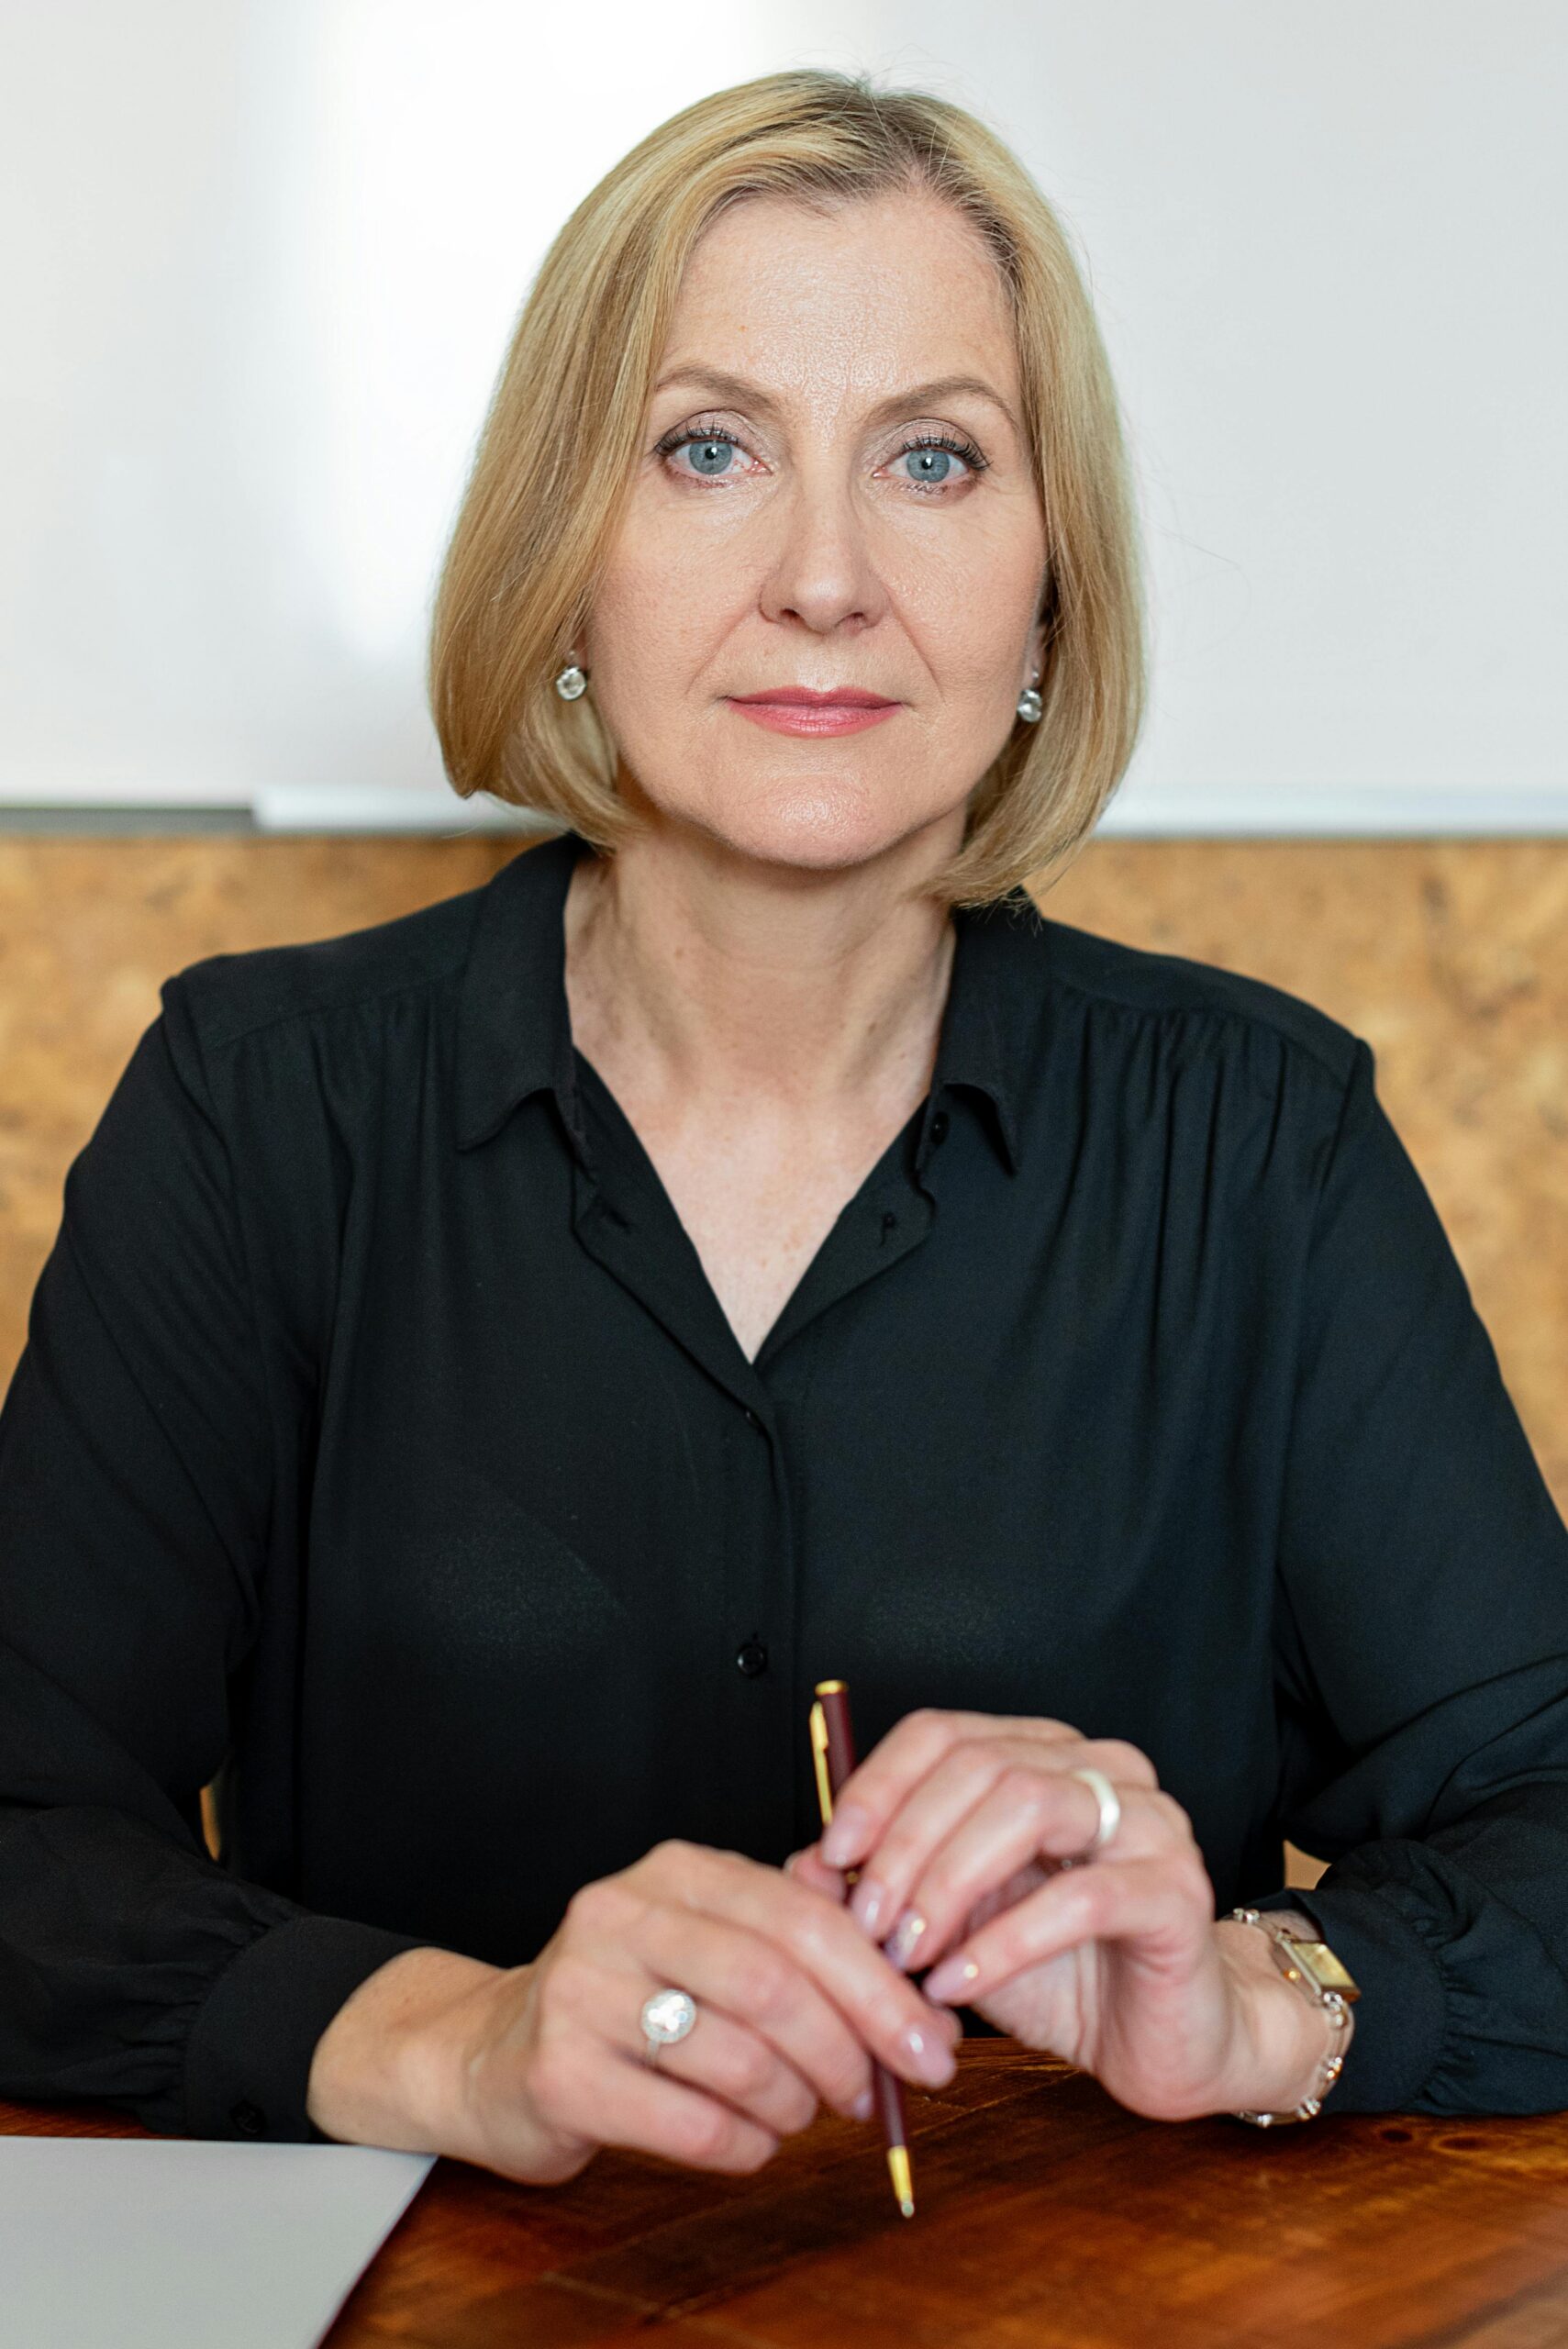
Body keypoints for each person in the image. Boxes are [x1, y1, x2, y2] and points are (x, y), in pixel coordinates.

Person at [3, 69, 1567, 2190]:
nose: (825, 576)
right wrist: (458, 2041)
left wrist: (1260, 1989)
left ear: (1047, 592)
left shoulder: (1259, 1144)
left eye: (932, 457)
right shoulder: (261, 1114)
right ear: (568, 551)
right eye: (709, 447)